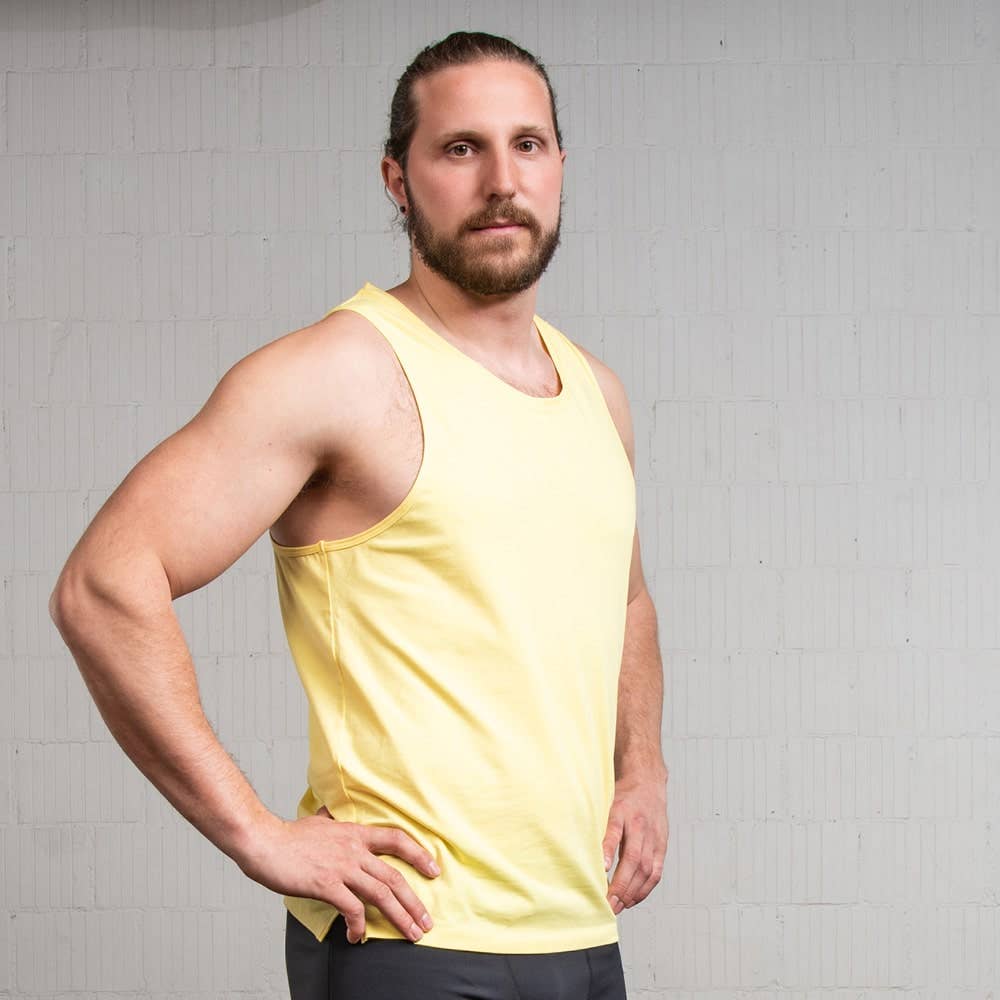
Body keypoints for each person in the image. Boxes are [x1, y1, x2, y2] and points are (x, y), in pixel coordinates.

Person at [49, 29, 669, 1000]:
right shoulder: (337, 373)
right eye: (460, 148)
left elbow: (624, 600)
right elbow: (104, 584)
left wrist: (644, 772)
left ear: (560, 165)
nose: (501, 180)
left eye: (527, 144)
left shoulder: (599, 393)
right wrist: (254, 831)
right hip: (407, 939)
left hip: (580, 931)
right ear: (397, 179)